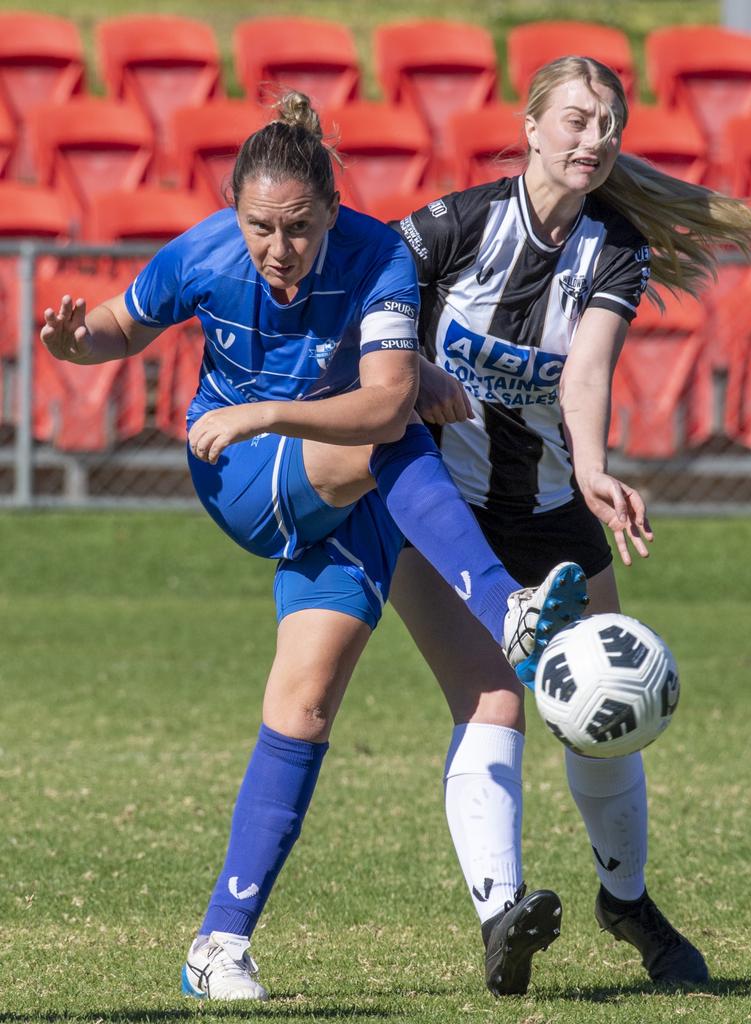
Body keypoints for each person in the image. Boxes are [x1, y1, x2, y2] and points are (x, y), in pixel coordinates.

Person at [39, 92, 589, 1002]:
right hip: (246, 476)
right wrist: (74, 342)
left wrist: (407, 379)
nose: (279, 248)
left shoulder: (379, 255)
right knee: (395, 434)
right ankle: (510, 605)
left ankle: (221, 945)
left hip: (347, 482)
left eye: (299, 228)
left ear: (334, 212)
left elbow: (379, 397)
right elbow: (119, 326)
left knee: (322, 703)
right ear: (234, 212)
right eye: (262, 227)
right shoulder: (210, 250)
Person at [387, 54, 751, 996]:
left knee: (603, 718)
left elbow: (588, 369)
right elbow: (372, 312)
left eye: (608, 125)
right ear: (529, 127)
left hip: (557, 511)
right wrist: (402, 379)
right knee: (498, 701)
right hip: (444, 514)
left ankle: (626, 901)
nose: (593, 139)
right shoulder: (452, 226)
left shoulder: (615, 247)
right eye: (575, 120)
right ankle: (502, 916)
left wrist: (594, 469)